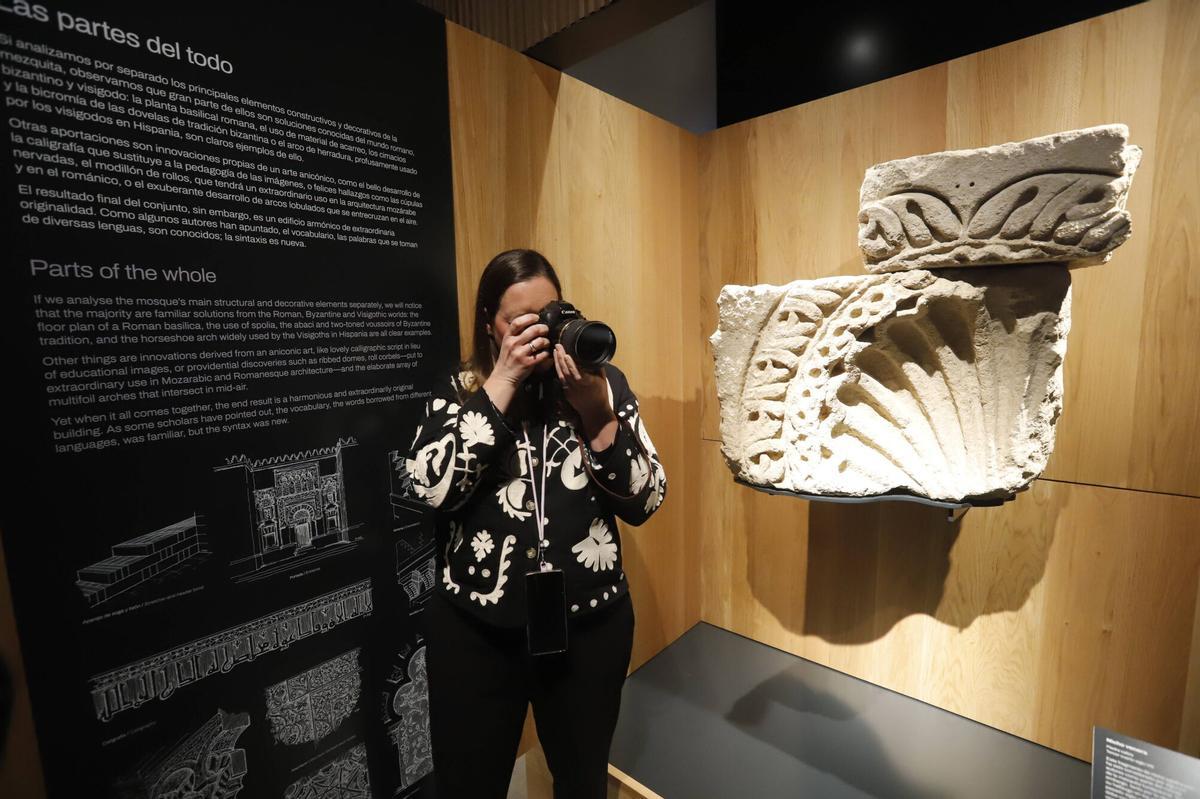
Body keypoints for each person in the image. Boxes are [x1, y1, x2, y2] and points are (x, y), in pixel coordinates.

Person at [401, 248, 667, 798]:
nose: (541, 332)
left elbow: (646, 500)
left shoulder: (603, 384)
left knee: (581, 782)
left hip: (588, 629)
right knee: (470, 785)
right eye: (521, 322)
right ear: (490, 326)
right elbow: (430, 488)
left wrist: (598, 416)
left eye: (552, 313)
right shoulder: (461, 390)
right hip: (476, 634)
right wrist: (501, 384)